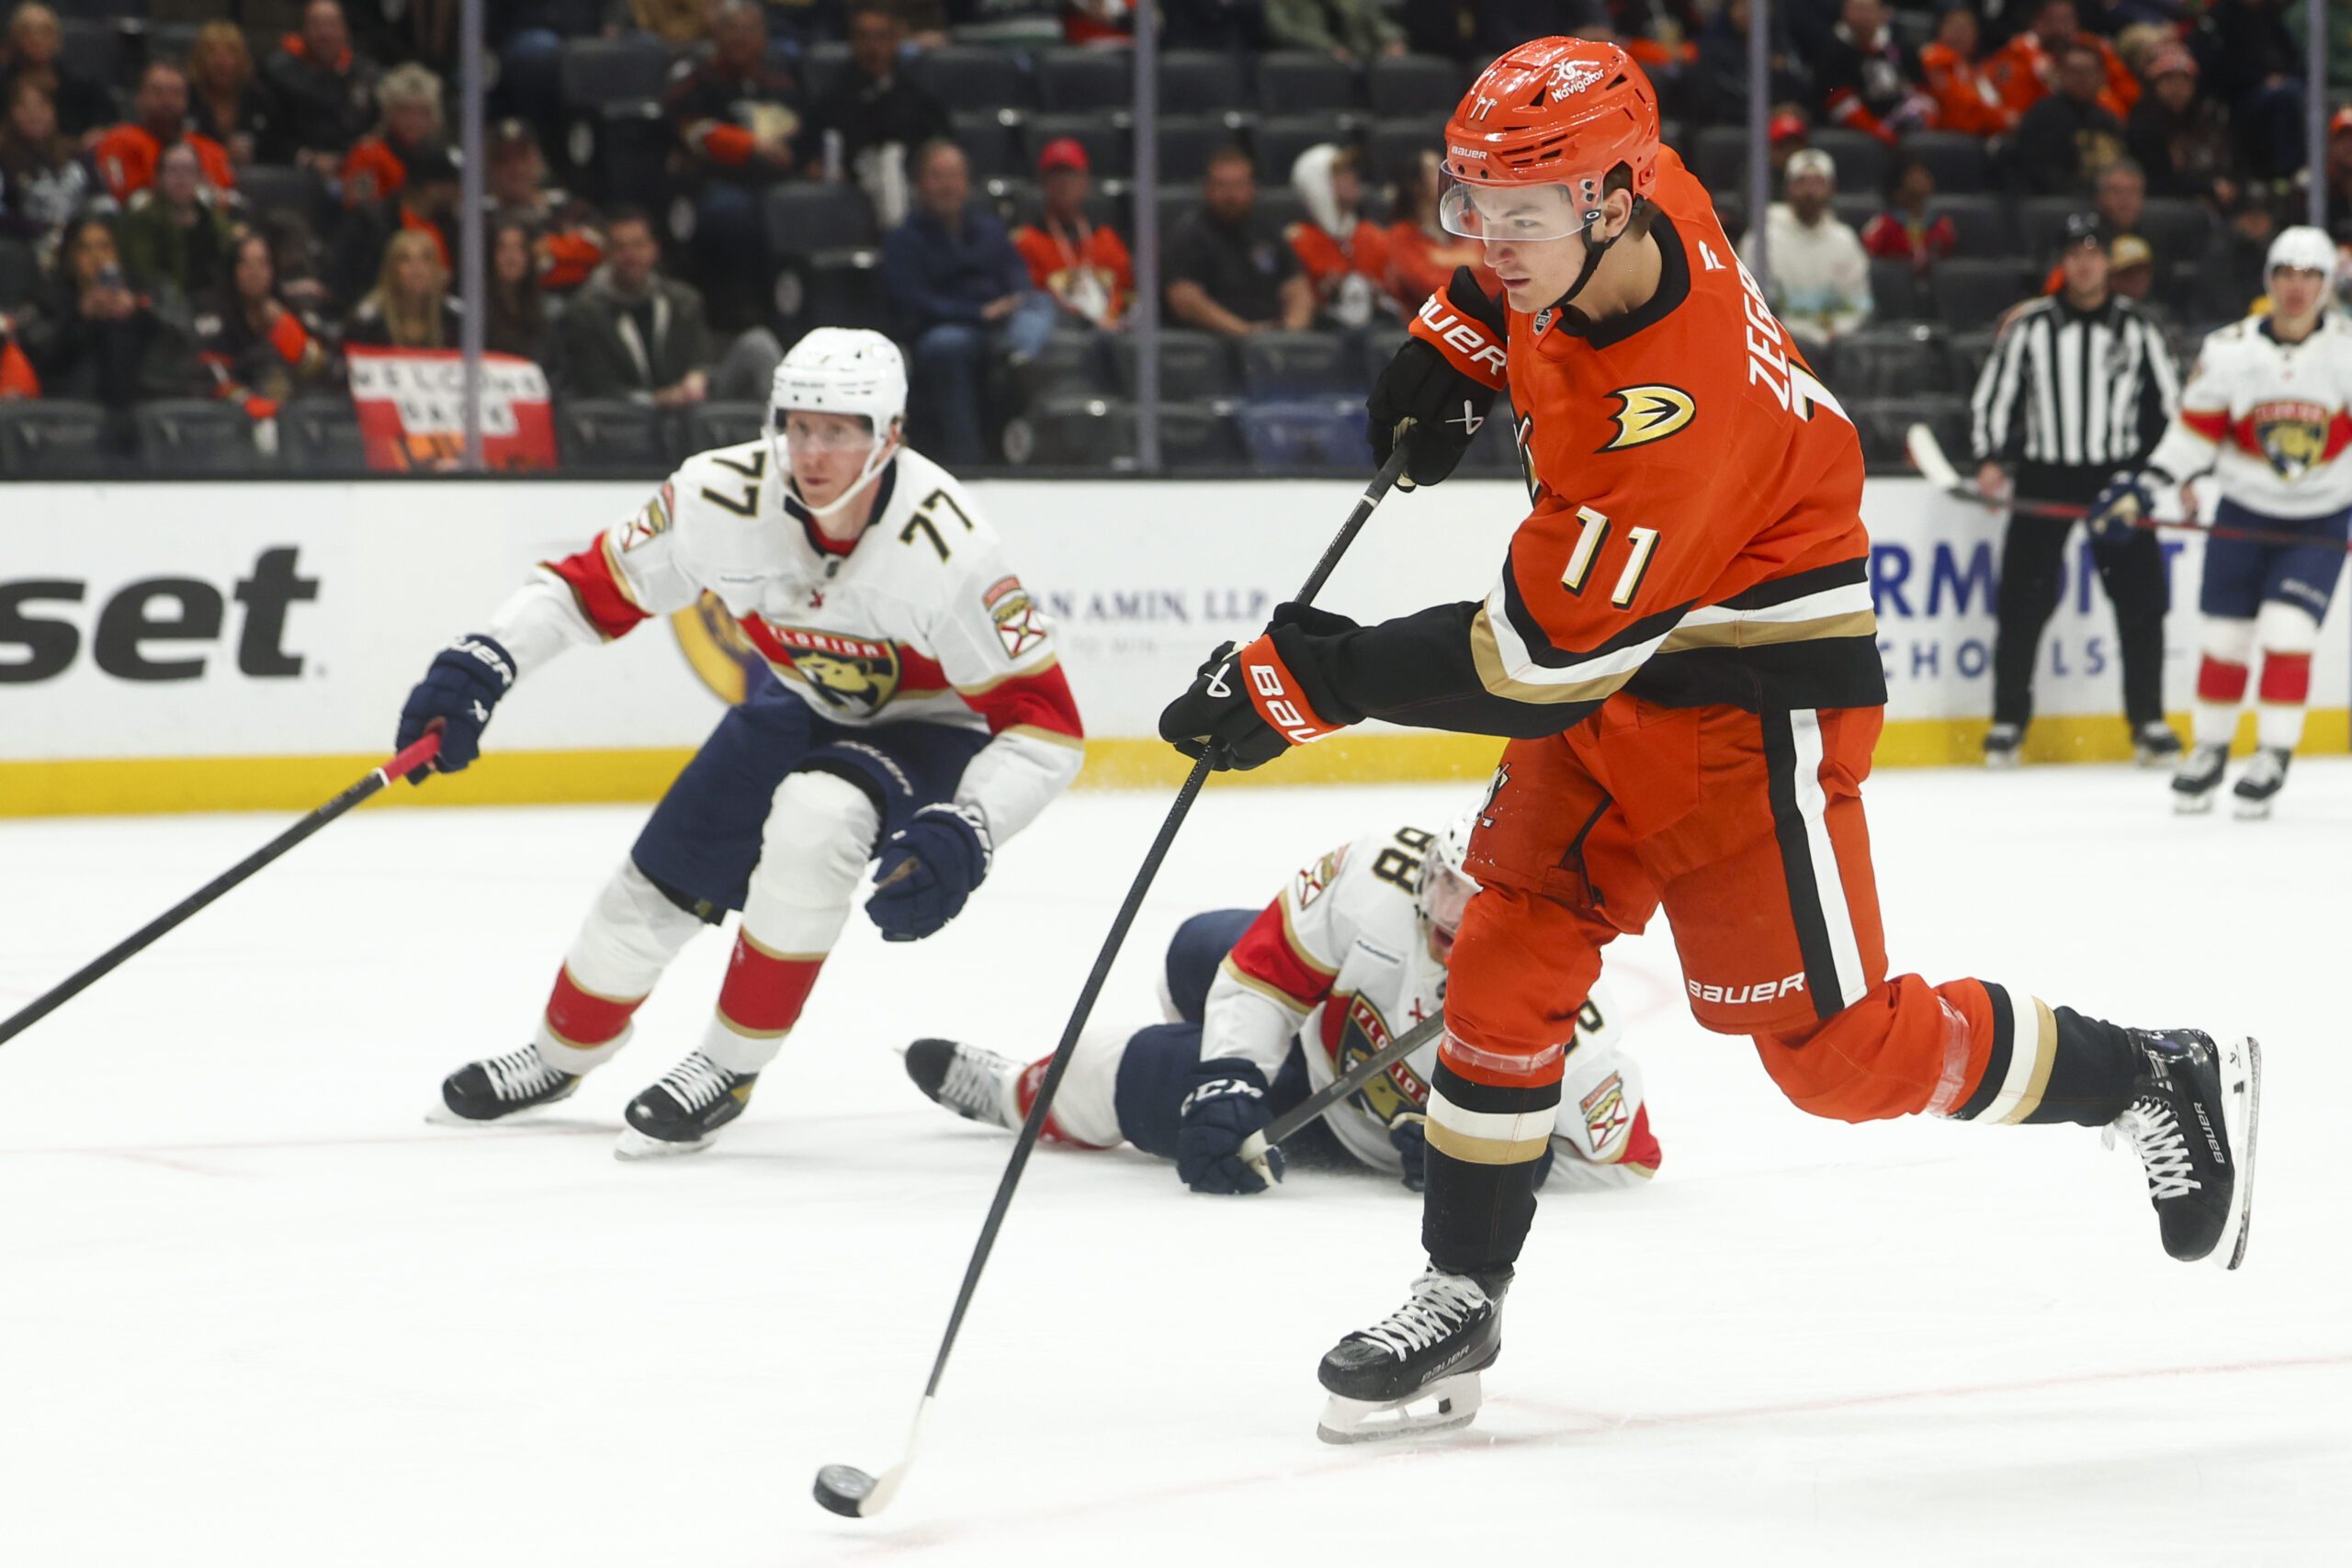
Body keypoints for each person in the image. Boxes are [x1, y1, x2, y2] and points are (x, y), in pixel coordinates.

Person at [1154, 38, 2258, 1444]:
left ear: (1611, 201)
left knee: (1837, 1053)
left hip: (1747, 692)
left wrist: (1304, 683)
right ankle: (1459, 1290)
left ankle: (2143, 1068)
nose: (1491, 238)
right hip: (1622, 650)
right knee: (1507, 947)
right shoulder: (1628, 184)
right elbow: (1517, 290)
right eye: (1471, 201)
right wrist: (1452, 344)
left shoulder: (1666, 420)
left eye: (1522, 214)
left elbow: (1527, 661)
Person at [406, 329, 1085, 1157]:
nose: (812, 451)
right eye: (798, 425)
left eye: (839, 431)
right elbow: (586, 587)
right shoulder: (717, 496)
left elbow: (1047, 727)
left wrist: (971, 824)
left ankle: (727, 1066)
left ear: (891, 435)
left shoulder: (949, 549)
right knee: (651, 888)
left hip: (931, 726)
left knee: (817, 819)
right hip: (798, 700)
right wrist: (485, 659)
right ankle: (558, 1056)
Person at [907, 810, 1661, 1195]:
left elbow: (1630, 1162)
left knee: (1131, 1072)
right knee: (1200, 951)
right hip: (1318, 1040)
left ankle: (1014, 1091)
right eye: (1442, 883)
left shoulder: (1572, 1028)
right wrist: (1232, 1073)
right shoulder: (1380, 875)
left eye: (1474, 903)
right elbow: (1263, 973)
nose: (1446, 914)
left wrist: (1501, 1167)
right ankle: (1218, 1063)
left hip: (1344, 1122)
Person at [2090, 226, 2352, 818]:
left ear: (2326, 284)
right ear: (2268, 279)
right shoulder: (2230, 350)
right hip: (2242, 514)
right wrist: (2143, 487)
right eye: (2285, 273)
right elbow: (2193, 438)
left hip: (2319, 521)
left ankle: (2272, 754)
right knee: (2223, 641)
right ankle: (2209, 748)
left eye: (2309, 275)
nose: (2296, 287)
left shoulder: (2345, 350)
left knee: (2289, 632)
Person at [1967, 212, 2179, 766]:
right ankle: (2009, 722)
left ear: (2108, 260)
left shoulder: (2139, 328)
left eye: (2094, 250)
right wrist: (1990, 458)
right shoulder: (2031, 326)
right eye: (2074, 251)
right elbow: (1995, 397)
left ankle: (2149, 721)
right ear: (2063, 262)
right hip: (2046, 474)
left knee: (2141, 603)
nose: (2085, 261)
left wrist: (2172, 475)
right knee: (2021, 602)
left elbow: (2173, 409)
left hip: (2116, 479)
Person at [882, 139, 1055, 467]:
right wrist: (977, 313)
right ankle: (969, 462)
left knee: (1040, 304)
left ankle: (1019, 356)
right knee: (946, 346)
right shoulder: (904, 239)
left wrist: (1014, 299)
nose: (947, 186)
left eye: (954, 176)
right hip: (948, 327)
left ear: (967, 183)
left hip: (1002, 327)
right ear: (919, 184)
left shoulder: (989, 230)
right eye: (937, 176)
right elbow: (911, 301)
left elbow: (1016, 275)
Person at [665, 0, 799, 325]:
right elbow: (690, 129)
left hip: (781, 181)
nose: (740, 38)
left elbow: (809, 125)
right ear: (715, 34)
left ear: (764, 35)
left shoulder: (781, 79)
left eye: (749, 29)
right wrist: (750, 145)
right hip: (720, 181)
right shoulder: (698, 79)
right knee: (730, 212)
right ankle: (736, 312)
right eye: (731, 29)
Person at [18, 214, 202, 442]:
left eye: (105, 246)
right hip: (74, 420)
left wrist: (139, 314)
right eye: (85, 249)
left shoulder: (153, 290)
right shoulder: (48, 298)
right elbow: (34, 358)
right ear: (70, 256)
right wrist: (79, 319)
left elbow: (185, 344)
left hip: (147, 411)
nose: (97, 257)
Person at [554, 206, 712, 405]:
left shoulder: (684, 301)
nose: (631, 256)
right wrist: (660, 399)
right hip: (624, 421)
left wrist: (698, 375)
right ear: (606, 254)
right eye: (620, 247)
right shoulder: (584, 313)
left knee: (756, 345)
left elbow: (703, 360)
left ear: (655, 249)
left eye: (639, 245)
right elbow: (598, 387)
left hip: (689, 411)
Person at [792, 4, 950, 195]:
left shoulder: (921, 101)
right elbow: (805, 153)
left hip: (912, 194)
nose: (872, 47)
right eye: (864, 37)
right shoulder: (829, 102)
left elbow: (943, 146)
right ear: (852, 42)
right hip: (846, 196)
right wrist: (816, 167)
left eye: (881, 37)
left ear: (895, 41)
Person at [1164, 146, 1316, 338]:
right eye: (1222, 186)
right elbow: (1184, 300)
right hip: (1215, 343)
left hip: (1271, 341)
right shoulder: (1188, 236)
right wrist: (1244, 333)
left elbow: (1297, 288)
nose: (1230, 195)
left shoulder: (1267, 232)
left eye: (1238, 185)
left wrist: (1291, 331)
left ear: (1252, 188)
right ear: (1207, 189)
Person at [1736, 147, 1871, 350]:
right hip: (1780, 344)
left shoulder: (1845, 240)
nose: (1810, 191)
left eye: (1818, 183)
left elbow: (1859, 305)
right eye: (1801, 182)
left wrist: (1838, 330)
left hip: (1838, 344)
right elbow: (1752, 306)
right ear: (1787, 188)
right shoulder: (1761, 239)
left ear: (1832, 189)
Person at [195, 228, 332, 419]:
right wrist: (252, 403)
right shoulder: (213, 317)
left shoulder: (293, 313)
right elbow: (213, 375)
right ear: (233, 270)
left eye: (263, 263)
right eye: (245, 264)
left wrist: (284, 328)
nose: (255, 272)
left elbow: (321, 370)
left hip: (292, 420)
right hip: (232, 421)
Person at [1011, 137, 1132, 331]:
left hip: (1110, 333)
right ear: (1043, 183)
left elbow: (1127, 293)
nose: (1063, 182)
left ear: (1086, 182)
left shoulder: (1106, 239)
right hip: (1058, 336)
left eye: (1071, 174)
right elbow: (1028, 302)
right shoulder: (1026, 242)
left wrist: (1113, 318)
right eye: (1055, 175)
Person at [93, 62, 238, 203]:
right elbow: (124, 199)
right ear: (139, 97)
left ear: (187, 100)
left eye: (175, 93)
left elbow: (230, 202)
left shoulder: (212, 151)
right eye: (157, 91)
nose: (167, 100)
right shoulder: (119, 142)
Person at [262, 0, 379, 172]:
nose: (325, 33)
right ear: (303, 30)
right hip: (297, 173)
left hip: (354, 169)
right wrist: (308, 159)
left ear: (345, 30)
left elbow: (375, 127)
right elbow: (270, 135)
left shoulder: (367, 74)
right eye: (316, 25)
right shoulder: (278, 74)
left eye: (332, 24)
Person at [117, 142, 241, 305]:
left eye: (188, 170)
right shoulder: (142, 222)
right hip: (167, 310)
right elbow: (146, 278)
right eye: (173, 170)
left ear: (200, 177)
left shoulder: (212, 218)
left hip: (217, 305)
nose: (181, 178)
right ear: (158, 178)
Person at [1288, 143, 1396, 329]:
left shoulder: (1372, 235)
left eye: (1350, 171)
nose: (1352, 177)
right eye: (1340, 173)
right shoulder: (1300, 240)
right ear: (1317, 184)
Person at [1385, 148, 1500, 310]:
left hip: (1487, 314)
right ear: (1415, 186)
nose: (1449, 174)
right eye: (1433, 171)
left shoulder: (1468, 222)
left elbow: (1498, 274)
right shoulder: (1402, 234)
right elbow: (1427, 285)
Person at [2126, 43, 2236, 209]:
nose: (2177, 88)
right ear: (2154, 84)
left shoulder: (2205, 119)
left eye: (2185, 80)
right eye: (2169, 79)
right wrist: (2208, 190)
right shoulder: (2142, 125)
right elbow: (2158, 180)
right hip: (2165, 205)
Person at [2011, 39, 2128, 196]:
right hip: (2056, 206)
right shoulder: (2042, 116)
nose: (2082, 78)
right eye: (2074, 71)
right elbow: (2034, 174)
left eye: (2088, 71)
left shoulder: (2108, 120)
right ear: (2060, 74)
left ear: (2102, 76)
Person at [1813, 0, 1932, 145]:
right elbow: (1834, 97)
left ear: (1882, 13)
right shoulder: (1832, 49)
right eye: (1856, 9)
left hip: (1903, 125)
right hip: (1854, 132)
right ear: (1844, 13)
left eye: (1867, 9)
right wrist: (1877, 130)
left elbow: (1923, 91)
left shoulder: (1901, 48)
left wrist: (1921, 117)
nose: (1862, 16)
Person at [339, 62, 443, 209]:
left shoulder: (438, 162)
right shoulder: (368, 154)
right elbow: (359, 210)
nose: (414, 121)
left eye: (422, 112)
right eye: (405, 111)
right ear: (389, 113)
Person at [0, 3, 110, 139]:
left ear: (58, 39)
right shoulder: (3, 85)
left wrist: (97, 134)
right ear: (14, 38)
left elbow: (109, 123)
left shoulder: (82, 87)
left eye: (46, 31)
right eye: (27, 32)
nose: (37, 39)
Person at [0, 77, 90, 243]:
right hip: (22, 248)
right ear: (10, 112)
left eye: (42, 105)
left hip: (78, 246)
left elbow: (101, 200)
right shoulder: (3, 160)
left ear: (54, 110)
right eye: (24, 107)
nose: (34, 114)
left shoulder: (77, 154)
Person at [345, 227, 461, 348]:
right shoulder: (367, 321)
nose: (416, 269)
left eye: (426, 259)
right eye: (405, 259)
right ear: (391, 270)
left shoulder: (457, 319)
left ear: (436, 269)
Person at [185, 20, 274, 167]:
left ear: (242, 59)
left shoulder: (260, 99)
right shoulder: (186, 98)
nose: (221, 61)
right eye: (211, 51)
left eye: (230, 52)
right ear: (199, 58)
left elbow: (277, 149)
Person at [1917, 4, 2015, 136]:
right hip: (1949, 138)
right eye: (1955, 27)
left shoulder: (1979, 69)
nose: (1960, 34)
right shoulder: (1935, 59)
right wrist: (2003, 119)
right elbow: (1960, 111)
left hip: (1984, 136)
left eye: (1966, 28)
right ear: (1941, 29)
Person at [1859, 151, 1956, 276]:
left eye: (1924, 172)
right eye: (1915, 173)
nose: (1923, 177)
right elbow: (1863, 264)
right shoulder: (1882, 227)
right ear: (1899, 188)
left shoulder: (1942, 227)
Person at [486, 217, 558, 367]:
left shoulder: (550, 310)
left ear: (530, 256)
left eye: (519, 248)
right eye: (502, 247)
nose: (510, 256)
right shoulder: (474, 311)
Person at [1265, 0, 1406, 63]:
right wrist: (1329, 47)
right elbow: (1282, 30)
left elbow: (1377, 21)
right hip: (1313, 62)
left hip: (1363, 61)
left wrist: (1392, 39)